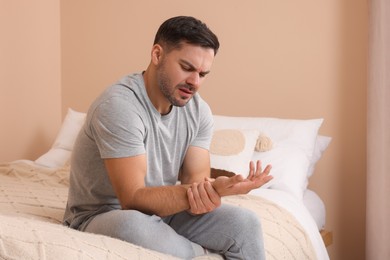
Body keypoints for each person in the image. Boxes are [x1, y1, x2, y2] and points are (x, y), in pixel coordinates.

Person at [63, 16, 273, 259]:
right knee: (134, 225)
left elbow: (195, 184)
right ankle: (196, 252)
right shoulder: (119, 106)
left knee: (245, 224)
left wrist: (214, 191)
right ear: (157, 54)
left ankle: (187, 248)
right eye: (186, 68)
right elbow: (132, 199)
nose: (194, 82)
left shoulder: (199, 111)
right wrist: (207, 191)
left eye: (203, 74)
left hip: (164, 211)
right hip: (105, 214)